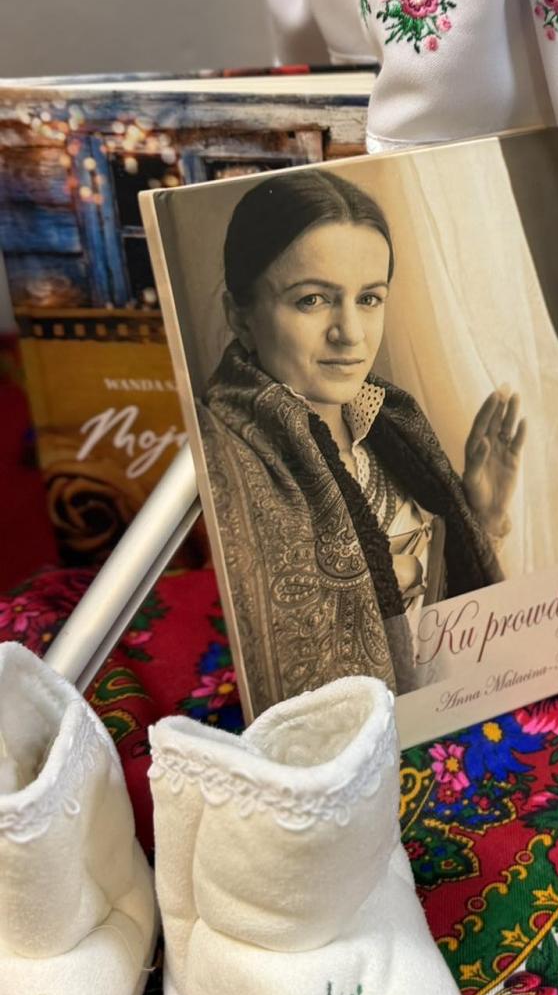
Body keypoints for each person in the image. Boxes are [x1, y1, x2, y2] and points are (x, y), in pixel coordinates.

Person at [197, 167, 525, 711]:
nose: (350, 333)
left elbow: (444, 614)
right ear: (242, 317)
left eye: (369, 299)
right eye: (312, 300)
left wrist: (482, 516)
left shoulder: (394, 422)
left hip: (446, 710)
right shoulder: (227, 455)